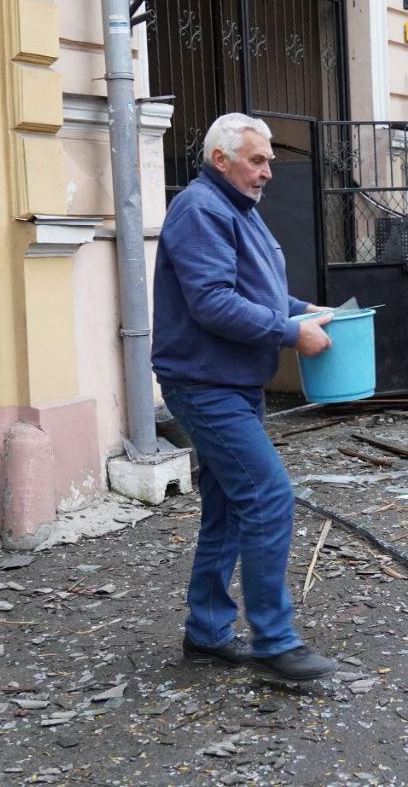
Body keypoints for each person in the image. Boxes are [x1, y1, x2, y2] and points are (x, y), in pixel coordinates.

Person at [151, 112, 338, 682]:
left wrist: (303, 311)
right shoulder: (202, 209)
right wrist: (289, 333)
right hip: (206, 386)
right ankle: (275, 643)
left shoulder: (235, 210)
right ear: (221, 160)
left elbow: (255, 291)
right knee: (270, 498)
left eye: (269, 162)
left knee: (231, 509)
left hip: (229, 382)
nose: (267, 172)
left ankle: (206, 633)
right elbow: (212, 302)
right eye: (257, 161)